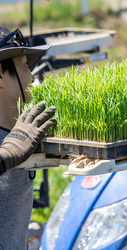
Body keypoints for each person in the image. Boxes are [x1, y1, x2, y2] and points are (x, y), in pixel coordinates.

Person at [0, 25, 56, 249]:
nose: (32, 77)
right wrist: (5, 156)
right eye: (24, 67)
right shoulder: (10, 147)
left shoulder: (24, 134)